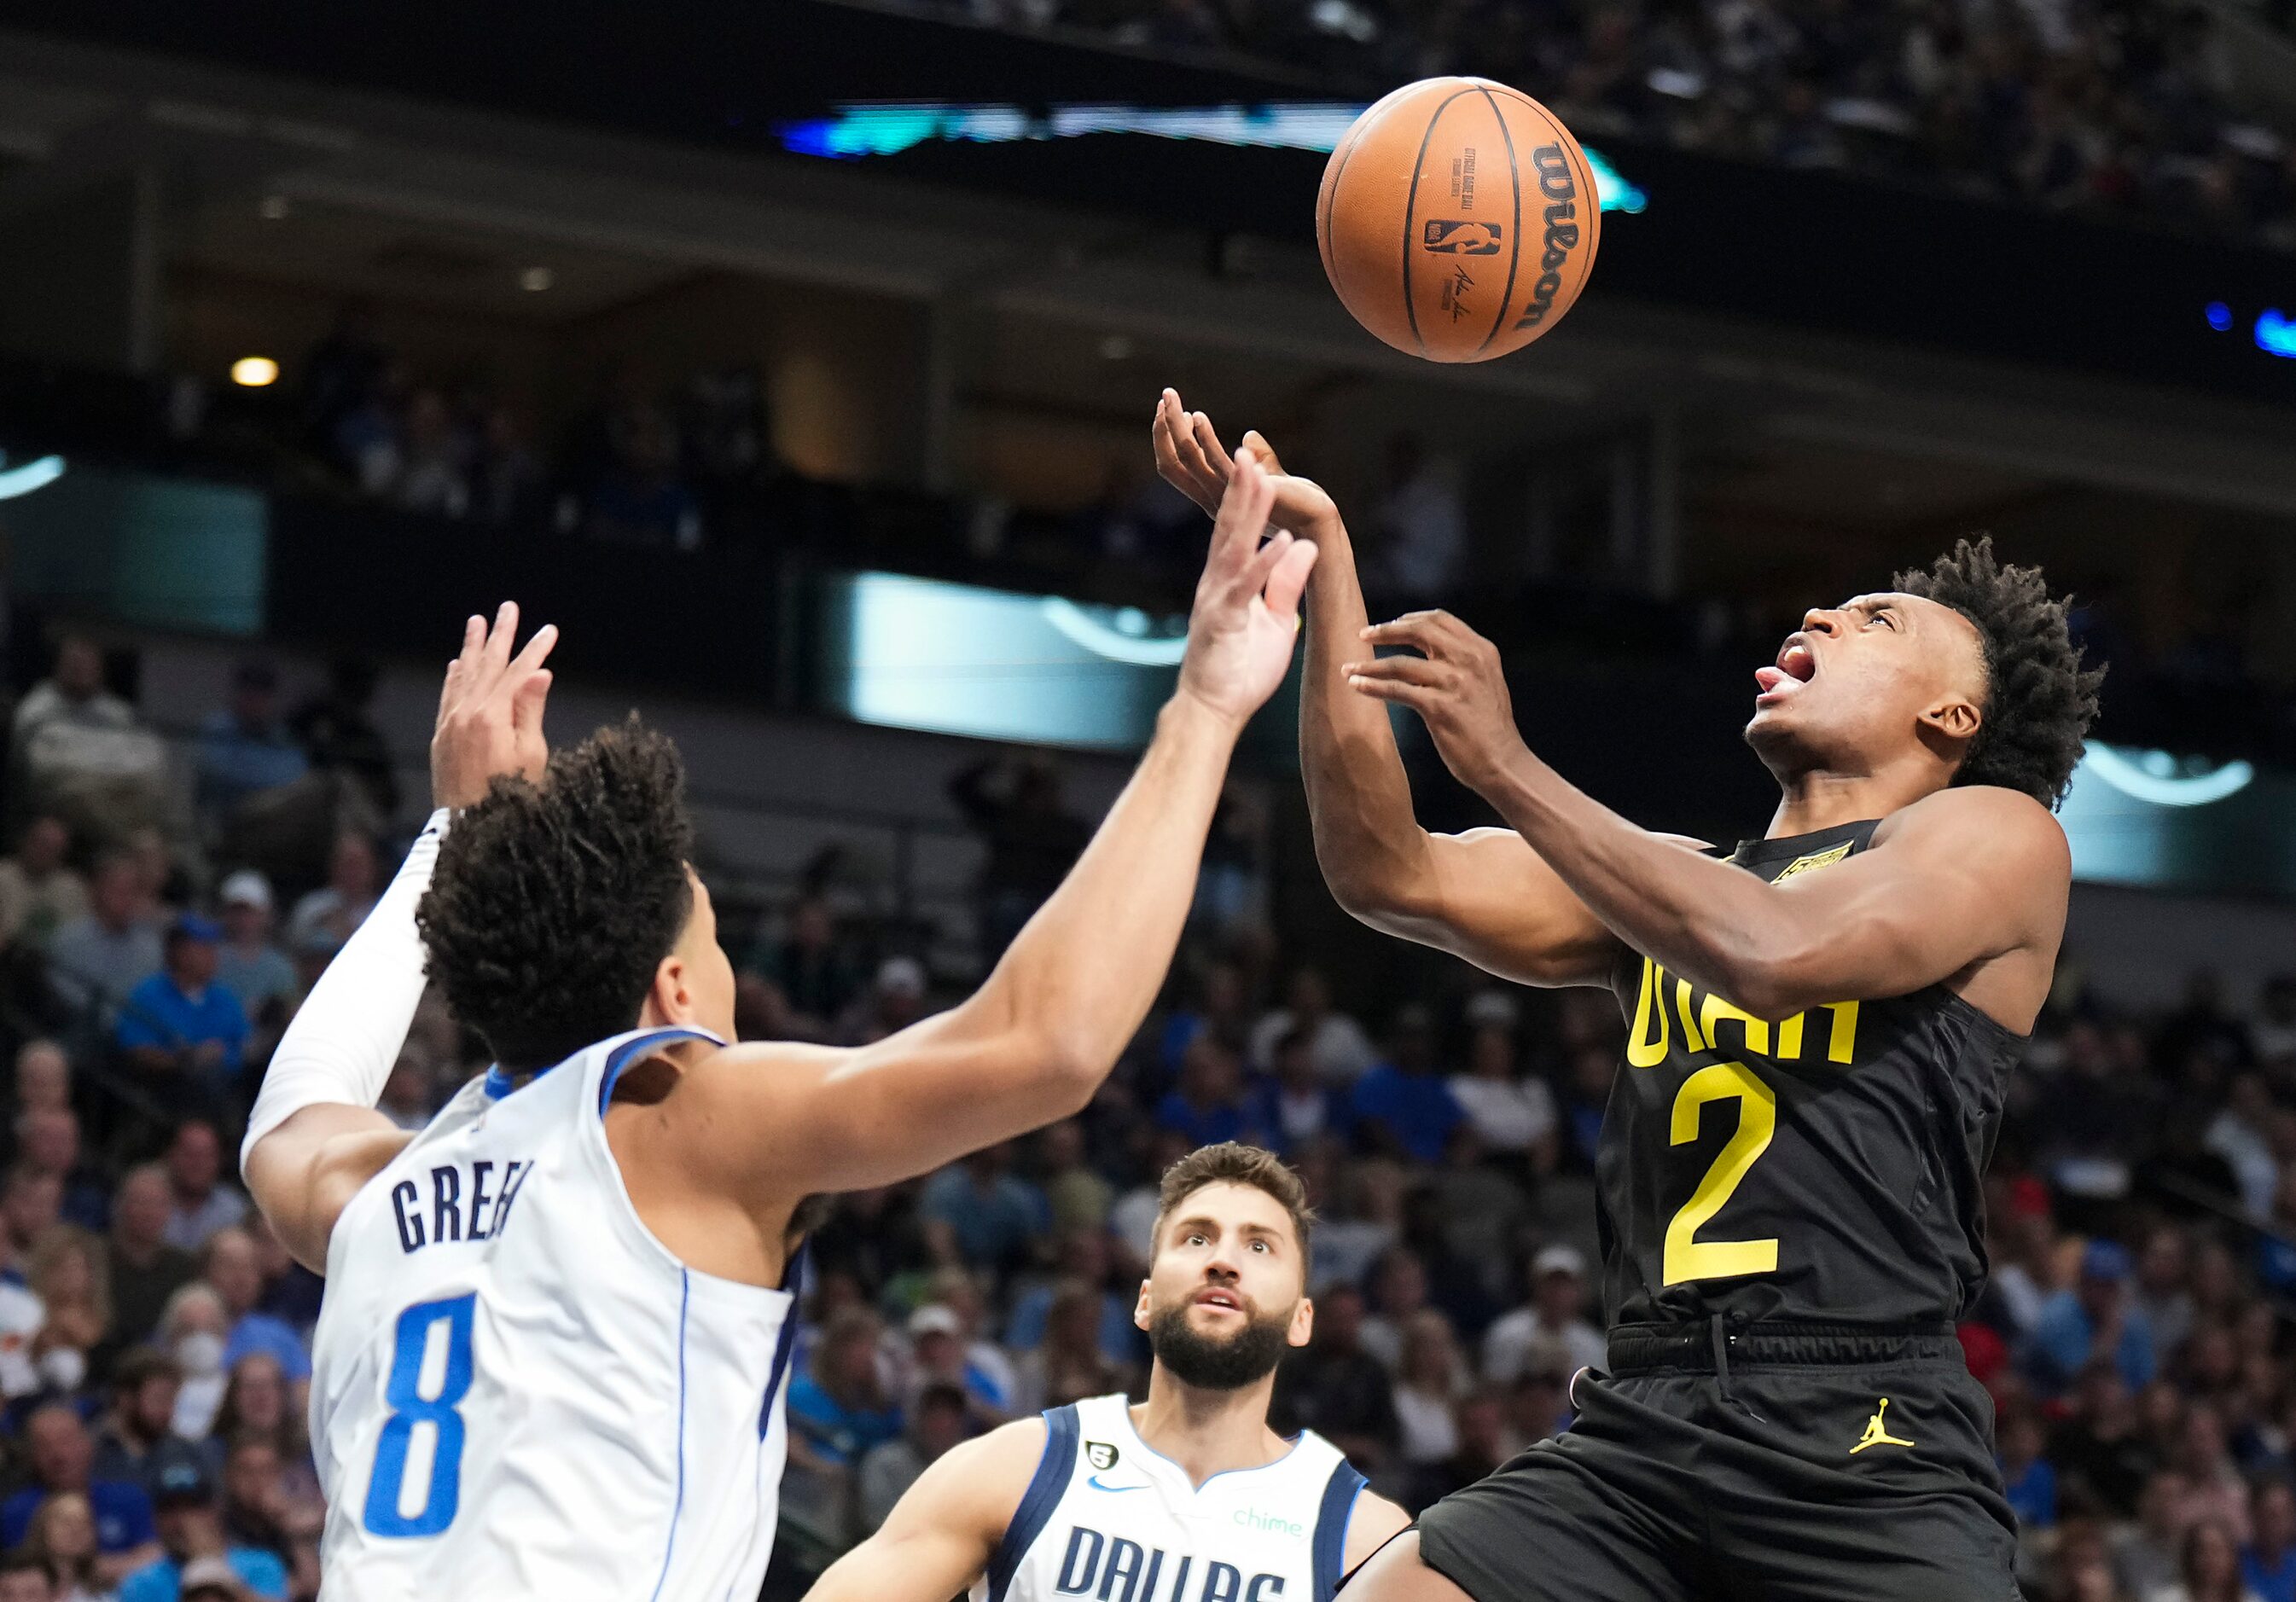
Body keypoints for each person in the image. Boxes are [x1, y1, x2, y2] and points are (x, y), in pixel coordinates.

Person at [239, 456, 1320, 1597]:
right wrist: (1201, 711)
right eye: (716, 942)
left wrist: (448, 836)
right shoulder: (677, 1120)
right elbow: (1046, 1040)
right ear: (672, 995)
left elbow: (288, 1115)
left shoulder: (375, 1187)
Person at [1154, 391, 2103, 1602]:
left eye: (1873, 619)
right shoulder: (1674, 881)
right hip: (1640, 1419)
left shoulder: (1996, 834)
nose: (1817, 612)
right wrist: (1326, 559)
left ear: (1951, 715)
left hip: (1859, 1432)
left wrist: (1502, 763)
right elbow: (1387, 872)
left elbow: (1771, 950)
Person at [805, 1142, 1411, 1602]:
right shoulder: (1016, 1471)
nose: (1224, 1260)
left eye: (1259, 1247)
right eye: (1196, 1239)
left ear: (1302, 1319)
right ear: (1144, 1301)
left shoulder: (1365, 1541)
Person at [0, 1403, 161, 1584]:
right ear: (31, 1456)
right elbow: (19, 1578)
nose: (59, 1455)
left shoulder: (128, 1498)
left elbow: (153, 1559)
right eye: (45, 1446)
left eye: (66, 1441)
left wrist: (84, 1569)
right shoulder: (15, 1512)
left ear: (87, 1444)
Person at [116, 920, 250, 1112]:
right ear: (179, 952)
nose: (213, 956)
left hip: (229, 1086)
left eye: (213, 948)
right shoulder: (149, 994)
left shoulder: (224, 998)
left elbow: (245, 1045)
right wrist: (189, 1059)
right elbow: (137, 1050)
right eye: (203, 948)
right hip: (168, 1089)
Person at [115, 1460, 285, 1602]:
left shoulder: (261, 1564)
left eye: (193, 1507)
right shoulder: (141, 1583)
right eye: (170, 1509)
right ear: (155, 1518)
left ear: (215, 1510)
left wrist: (209, 1563)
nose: (182, 1521)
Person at [108, 1168, 196, 1351]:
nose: (149, 1213)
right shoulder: (97, 1260)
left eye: (158, 1204)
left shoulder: (185, 1267)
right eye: (141, 1202)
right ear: (121, 1207)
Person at [0, 816, 88, 955]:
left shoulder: (72, 888)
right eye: (41, 843)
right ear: (24, 842)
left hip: (55, 964)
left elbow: (81, 939)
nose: (45, 852)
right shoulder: (3, 876)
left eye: (54, 848)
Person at [157, 1127, 245, 1255]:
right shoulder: (146, 1200)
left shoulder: (233, 1210)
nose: (197, 1163)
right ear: (171, 1155)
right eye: (189, 1154)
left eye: (206, 1155)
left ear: (219, 1160)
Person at [22, 1489, 112, 1601]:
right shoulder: (13, 1586)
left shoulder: (105, 1596)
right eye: (65, 1521)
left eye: (84, 1523)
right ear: (43, 1528)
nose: (75, 1530)